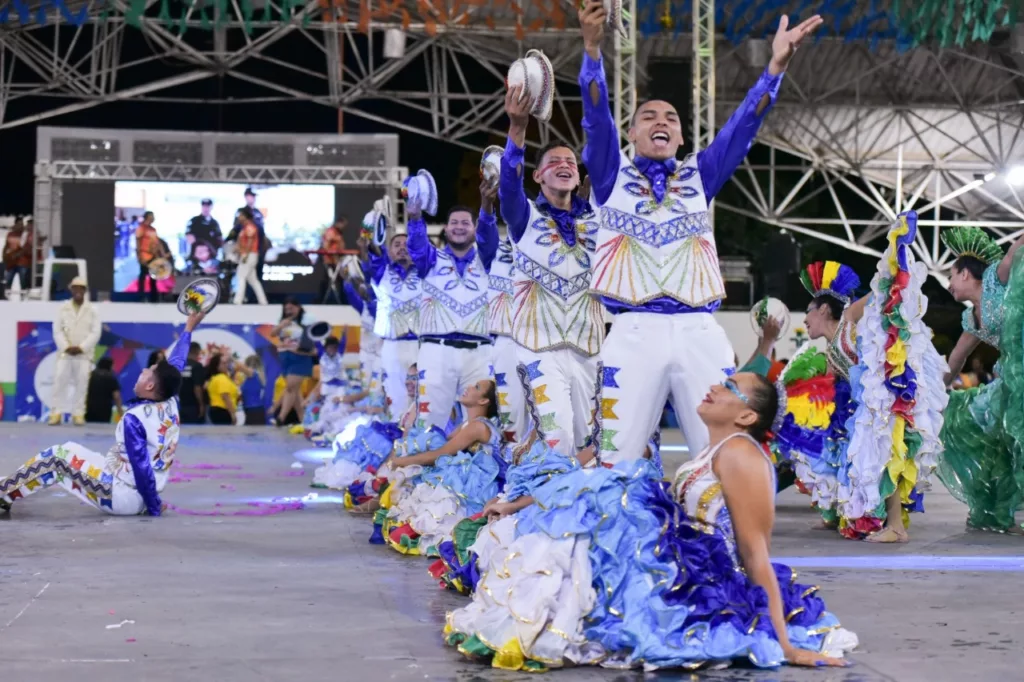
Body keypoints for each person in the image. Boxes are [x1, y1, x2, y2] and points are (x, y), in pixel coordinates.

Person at [445, 372, 856, 671]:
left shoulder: (742, 456)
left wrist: (784, 644)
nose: (714, 385)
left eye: (730, 388)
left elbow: (754, 552)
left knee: (577, 539)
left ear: (747, 417)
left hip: (699, 579)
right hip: (671, 557)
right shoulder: (717, 450)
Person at [577, 3, 822, 460]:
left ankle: (721, 530)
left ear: (683, 137)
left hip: (699, 330)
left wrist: (775, 68)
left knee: (723, 450)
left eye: (670, 118)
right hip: (633, 329)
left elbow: (743, 127)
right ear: (630, 133)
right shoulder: (611, 176)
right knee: (614, 455)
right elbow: (595, 121)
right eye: (649, 117)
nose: (661, 122)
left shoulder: (699, 176)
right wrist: (592, 50)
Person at [0, 311, 206, 516]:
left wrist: (153, 507)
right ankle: (7, 488)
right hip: (132, 488)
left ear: (150, 385)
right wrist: (189, 327)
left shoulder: (136, 419)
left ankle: (2, 493)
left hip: (121, 495)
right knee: (68, 449)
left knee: (56, 458)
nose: (142, 372)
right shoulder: (169, 399)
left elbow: (141, 468)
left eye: (147, 371)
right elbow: (177, 362)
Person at [500, 91, 603, 456]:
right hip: (538, 349)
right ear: (538, 175)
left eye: (571, 163)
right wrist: (518, 126)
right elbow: (508, 187)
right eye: (554, 161)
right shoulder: (525, 217)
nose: (565, 165)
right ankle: (536, 505)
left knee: (594, 444)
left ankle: (578, 508)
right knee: (556, 437)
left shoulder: (599, 222)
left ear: (578, 178)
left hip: (590, 349)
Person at [938, 225, 1024, 534]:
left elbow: (1014, 253)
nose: (948, 284)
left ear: (964, 273)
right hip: (1014, 378)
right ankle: (997, 506)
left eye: (950, 275)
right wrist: (935, 393)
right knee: (986, 431)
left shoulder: (995, 280)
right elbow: (957, 359)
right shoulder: (971, 317)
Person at [407, 182, 499, 430]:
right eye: (454, 223)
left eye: (465, 223)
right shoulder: (430, 259)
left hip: (480, 353)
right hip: (436, 351)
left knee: (480, 423)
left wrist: (487, 205)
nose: (459, 227)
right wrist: (415, 216)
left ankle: (481, 468)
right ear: (445, 229)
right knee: (429, 420)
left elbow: (490, 234)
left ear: (474, 229)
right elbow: (415, 245)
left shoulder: (487, 259)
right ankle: (421, 466)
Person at [383, 379, 504, 556]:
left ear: (483, 401)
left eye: (476, 387)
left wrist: (400, 461)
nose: (468, 387)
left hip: (481, 485)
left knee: (428, 486)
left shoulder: (478, 426)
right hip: (468, 478)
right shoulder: (467, 424)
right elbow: (441, 446)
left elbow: (440, 454)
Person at [366, 232, 421, 421]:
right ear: (389, 251)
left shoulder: (426, 272)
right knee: (395, 391)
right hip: (392, 343)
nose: (402, 247)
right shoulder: (382, 271)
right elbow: (373, 251)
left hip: (420, 344)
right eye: (397, 244)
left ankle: (421, 435)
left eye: (407, 244)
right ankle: (398, 433)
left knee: (424, 391)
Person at [486, 236, 529, 444]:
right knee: (510, 406)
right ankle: (512, 455)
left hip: (544, 339)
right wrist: (486, 207)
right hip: (506, 339)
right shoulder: (494, 247)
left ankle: (549, 461)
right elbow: (485, 232)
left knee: (546, 405)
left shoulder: (546, 237)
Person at [49, 276, 101, 426]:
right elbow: (57, 330)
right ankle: (56, 413)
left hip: (83, 354)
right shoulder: (62, 308)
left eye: (81, 288)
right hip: (65, 353)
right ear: (71, 290)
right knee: (59, 381)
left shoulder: (93, 310)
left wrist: (82, 347)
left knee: (82, 383)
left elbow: (95, 332)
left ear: (84, 291)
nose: (78, 291)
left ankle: (78, 414)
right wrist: (66, 346)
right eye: (75, 288)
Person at [273, 297, 317, 426]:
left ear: (298, 307)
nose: (289, 311)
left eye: (291, 308)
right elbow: (273, 333)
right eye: (286, 309)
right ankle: (303, 419)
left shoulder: (308, 319)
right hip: (286, 357)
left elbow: (312, 338)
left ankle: (281, 417)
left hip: (301, 357)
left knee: (290, 387)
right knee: (295, 391)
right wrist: (282, 325)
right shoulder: (284, 321)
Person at [344, 270, 383, 398]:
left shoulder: (382, 309)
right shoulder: (363, 307)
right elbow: (351, 296)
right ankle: (367, 412)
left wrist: (368, 293)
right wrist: (346, 281)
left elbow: (373, 309)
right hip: (365, 354)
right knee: (365, 385)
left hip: (380, 355)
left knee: (378, 387)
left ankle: (380, 413)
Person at [234, 188, 267, 302]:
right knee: (253, 280)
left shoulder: (250, 227)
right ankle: (263, 301)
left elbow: (250, 242)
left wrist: (245, 255)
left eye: (241, 215)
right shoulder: (244, 227)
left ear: (245, 216)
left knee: (241, 276)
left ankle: (237, 301)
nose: (239, 217)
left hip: (249, 254)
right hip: (249, 254)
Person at [85, 357, 124, 424]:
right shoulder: (111, 377)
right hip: (104, 410)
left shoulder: (90, 376)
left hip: (89, 408)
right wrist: (121, 413)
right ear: (109, 365)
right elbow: (116, 396)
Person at [135, 211, 163, 303]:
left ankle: (154, 298)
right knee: (143, 276)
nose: (153, 218)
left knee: (153, 277)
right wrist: (139, 255)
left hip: (153, 257)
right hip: (144, 255)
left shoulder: (153, 229)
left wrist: (160, 255)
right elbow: (138, 241)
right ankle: (141, 297)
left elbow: (157, 243)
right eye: (152, 216)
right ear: (148, 217)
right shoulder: (141, 228)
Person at [185, 198, 222, 267]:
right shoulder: (194, 221)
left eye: (208, 206)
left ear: (211, 207)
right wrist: (199, 251)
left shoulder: (214, 223)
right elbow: (189, 237)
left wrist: (211, 252)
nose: (206, 208)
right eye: (204, 206)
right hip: (197, 255)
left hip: (211, 255)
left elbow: (219, 239)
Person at [177, 342, 206, 425]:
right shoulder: (197, 366)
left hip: (179, 404)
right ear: (197, 351)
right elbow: (197, 387)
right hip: (193, 406)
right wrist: (201, 404)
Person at [206, 354, 239, 425]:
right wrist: (233, 414)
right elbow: (225, 397)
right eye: (223, 363)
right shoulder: (221, 378)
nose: (226, 365)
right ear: (216, 366)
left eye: (227, 363)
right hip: (222, 410)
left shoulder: (216, 378)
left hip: (217, 410)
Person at [236, 354, 267, 426]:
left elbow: (240, 366)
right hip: (250, 410)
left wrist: (230, 357)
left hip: (254, 411)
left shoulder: (253, 374)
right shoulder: (251, 377)